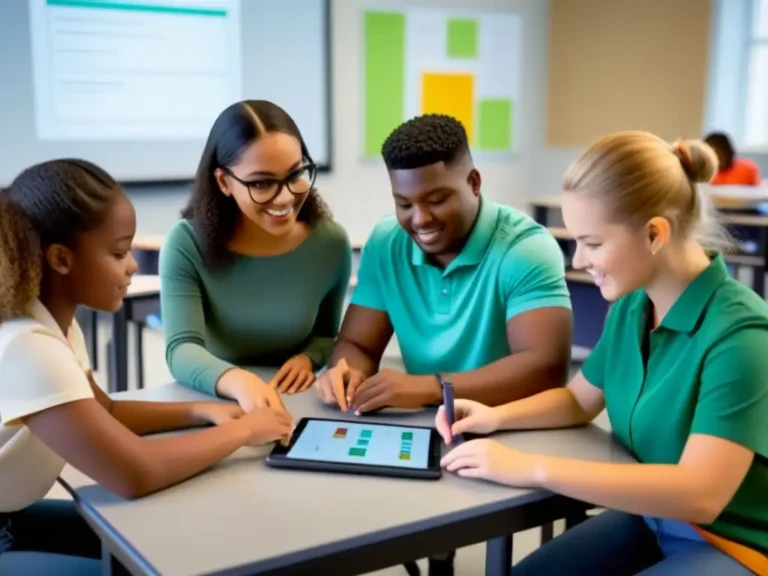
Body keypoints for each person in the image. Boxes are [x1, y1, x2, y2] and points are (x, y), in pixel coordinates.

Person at [437, 131, 768, 575]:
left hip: (734, 543)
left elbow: (701, 493)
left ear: (654, 234)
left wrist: (533, 468)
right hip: (654, 515)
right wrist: (495, 417)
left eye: (592, 243)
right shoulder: (634, 304)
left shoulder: (742, 334)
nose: (577, 261)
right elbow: (579, 399)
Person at [0, 159, 293, 574]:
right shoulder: (28, 347)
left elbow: (106, 412)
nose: (133, 266)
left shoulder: (55, 325)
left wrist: (199, 411)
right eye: (119, 253)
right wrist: (243, 431)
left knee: (153, 549)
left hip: (14, 518)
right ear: (62, 259)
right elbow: (135, 473)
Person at [315, 114, 573, 575]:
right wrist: (346, 368)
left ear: (474, 182)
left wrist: (428, 387)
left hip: (514, 430)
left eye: (436, 200)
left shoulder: (525, 248)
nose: (420, 219)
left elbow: (545, 367)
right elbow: (356, 341)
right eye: (404, 203)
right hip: (427, 428)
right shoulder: (386, 242)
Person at [160, 100, 351, 412]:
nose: (286, 196)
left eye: (295, 174)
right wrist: (238, 381)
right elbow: (181, 349)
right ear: (224, 182)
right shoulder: (186, 244)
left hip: (300, 400)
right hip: (217, 400)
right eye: (262, 182)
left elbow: (327, 336)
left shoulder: (330, 243)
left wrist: (308, 358)